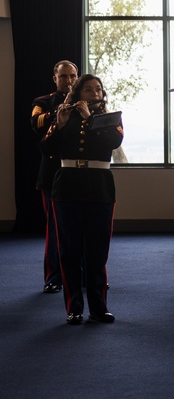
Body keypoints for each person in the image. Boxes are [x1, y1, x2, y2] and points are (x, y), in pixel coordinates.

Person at [42, 74, 122, 324]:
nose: (95, 93)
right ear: (78, 94)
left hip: (100, 188)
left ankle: (99, 307)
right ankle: (73, 306)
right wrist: (61, 124)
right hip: (67, 187)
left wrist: (90, 118)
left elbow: (114, 141)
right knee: (69, 250)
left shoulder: (110, 119)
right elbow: (47, 149)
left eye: (98, 89)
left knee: (98, 251)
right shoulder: (64, 115)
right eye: (88, 89)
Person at [30, 60, 79, 294]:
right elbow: (36, 123)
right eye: (64, 77)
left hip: (80, 173)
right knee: (55, 228)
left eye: (72, 76)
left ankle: (84, 274)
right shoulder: (43, 102)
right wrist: (62, 109)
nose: (69, 81)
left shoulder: (87, 102)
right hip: (52, 174)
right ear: (55, 79)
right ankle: (53, 277)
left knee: (83, 226)